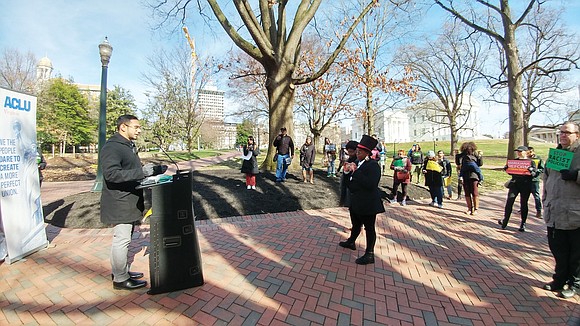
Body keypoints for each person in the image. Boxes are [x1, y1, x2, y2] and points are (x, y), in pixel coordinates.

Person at [100, 114, 166, 291]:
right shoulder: (112, 147)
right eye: (136, 127)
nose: (139, 130)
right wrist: (143, 172)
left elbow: (131, 171)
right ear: (123, 127)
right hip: (119, 201)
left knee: (125, 238)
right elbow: (112, 174)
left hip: (129, 199)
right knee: (121, 239)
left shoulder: (127, 146)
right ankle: (120, 279)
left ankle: (121, 271)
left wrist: (151, 173)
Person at [541, 121, 580, 299]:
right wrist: (544, 201)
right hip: (554, 211)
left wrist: (576, 175)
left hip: (575, 212)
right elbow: (546, 179)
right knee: (558, 249)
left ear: (577, 135)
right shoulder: (555, 155)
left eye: (567, 132)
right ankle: (559, 279)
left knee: (576, 253)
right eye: (561, 132)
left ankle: (575, 283)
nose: (563, 135)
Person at [338, 135, 385, 265]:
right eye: (356, 151)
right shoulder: (357, 163)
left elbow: (371, 184)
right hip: (355, 201)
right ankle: (351, 241)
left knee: (369, 228)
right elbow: (349, 183)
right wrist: (347, 173)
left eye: (360, 152)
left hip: (368, 203)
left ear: (367, 153)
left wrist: (356, 171)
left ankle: (369, 254)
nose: (356, 154)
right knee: (356, 224)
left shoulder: (373, 166)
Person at [498, 146, 537, 232]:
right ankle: (505, 220)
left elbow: (534, 174)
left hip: (525, 185)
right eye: (518, 151)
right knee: (509, 202)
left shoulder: (531, 162)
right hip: (515, 184)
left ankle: (523, 223)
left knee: (523, 203)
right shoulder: (514, 161)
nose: (519, 153)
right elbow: (511, 172)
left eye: (521, 151)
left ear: (526, 152)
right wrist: (507, 169)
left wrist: (531, 171)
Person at [458, 142, 483, 215]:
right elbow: (458, 163)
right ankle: (469, 208)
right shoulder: (463, 156)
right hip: (465, 176)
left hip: (474, 176)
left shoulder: (475, 155)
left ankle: (475, 209)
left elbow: (480, 164)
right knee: (467, 193)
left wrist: (480, 156)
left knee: (475, 192)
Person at [339, 140, 358, 207]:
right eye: (348, 152)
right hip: (346, 186)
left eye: (351, 152)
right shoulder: (348, 160)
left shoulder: (358, 161)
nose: (350, 154)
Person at [528, 146, 544, 219]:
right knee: (524, 196)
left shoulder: (538, 158)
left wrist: (535, 171)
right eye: (528, 152)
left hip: (535, 180)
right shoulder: (524, 159)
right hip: (526, 180)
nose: (530, 153)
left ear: (533, 151)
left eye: (531, 151)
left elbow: (542, 169)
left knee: (536, 196)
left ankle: (539, 211)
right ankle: (522, 209)